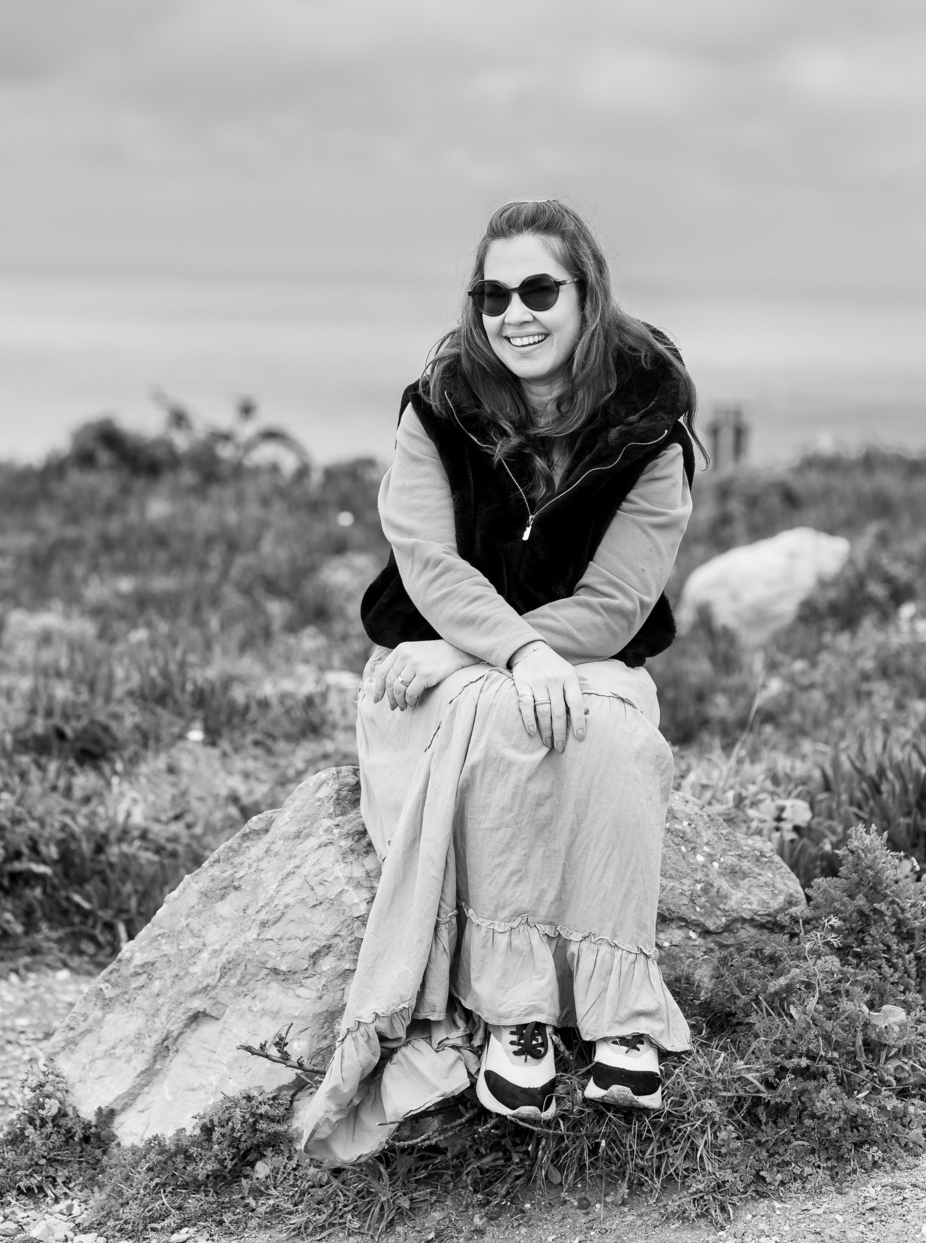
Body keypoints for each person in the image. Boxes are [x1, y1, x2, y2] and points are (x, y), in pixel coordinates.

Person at [294, 198, 701, 1164]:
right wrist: (506, 656)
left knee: (611, 734)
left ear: (586, 294)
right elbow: (428, 565)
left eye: (539, 290)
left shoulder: (651, 421)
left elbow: (618, 600)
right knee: (504, 719)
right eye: (493, 295)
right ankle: (517, 1016)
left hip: (571, 653)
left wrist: (490, 649)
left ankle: (620, 1014)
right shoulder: (438, 407)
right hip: (426, 674)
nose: (514, 314)